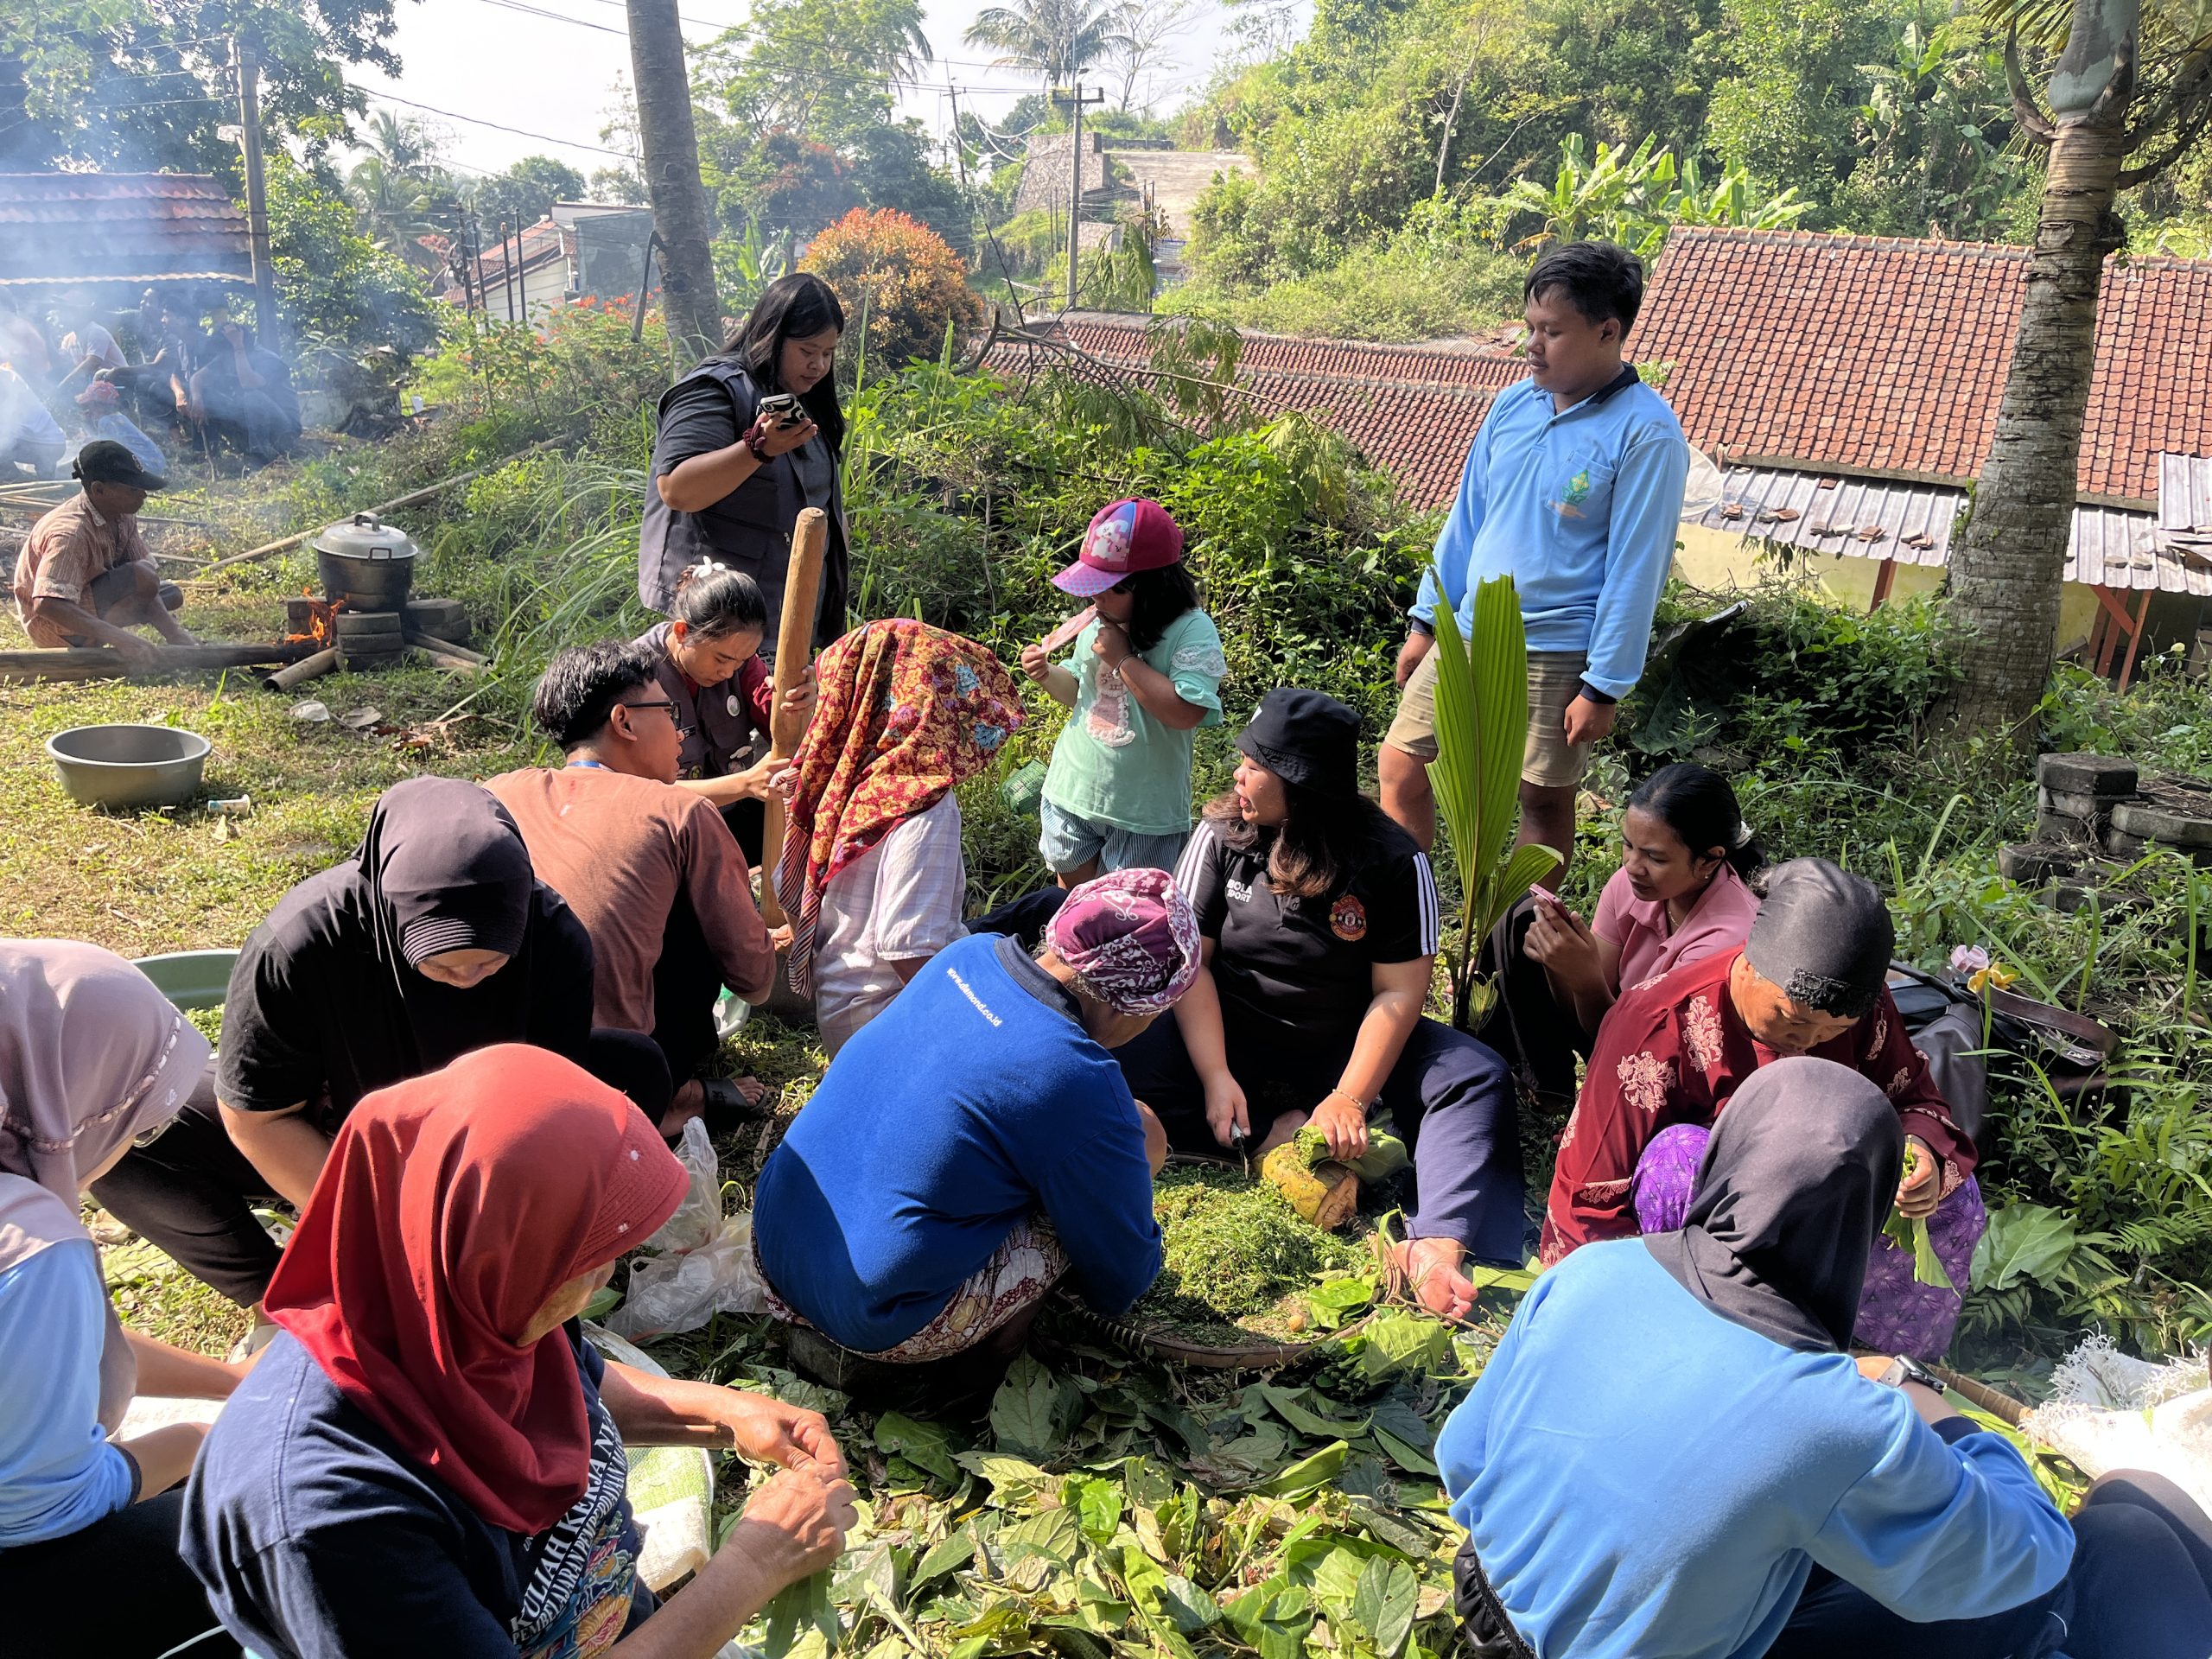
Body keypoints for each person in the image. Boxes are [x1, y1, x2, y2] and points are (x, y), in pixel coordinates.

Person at [1440, 1058, 2212, 1659]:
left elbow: (1463, 1457)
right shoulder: (1838, 1419)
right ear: (1860, 1226)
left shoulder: (1592, 1273)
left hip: (1481, 1605)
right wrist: (1935, 1412)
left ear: (1725, 1162)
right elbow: (2030, 1555)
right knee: (2128, 1529)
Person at [181, 1045, 860, 1658]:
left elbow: (576, 1380)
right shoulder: (330, 1519)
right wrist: (753, 1567)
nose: (607, 1278)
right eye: (589, 1259)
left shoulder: (468, 1303)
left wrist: (728, 1416)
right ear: (493, 1253)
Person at [92, 776, 662, 1314]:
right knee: (124, 1136)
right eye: (439, 962)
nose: (465, 979)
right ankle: (288, 1299)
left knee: (639, 1071)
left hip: (475, 1145)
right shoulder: (303, 943)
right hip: (331, 1135)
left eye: (489, 963)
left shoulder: (556, 938)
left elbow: (542, 1109)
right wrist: (378, 1230)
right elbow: (256, 1116)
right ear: (388, 913)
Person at [1117, 689, 1522, 1319]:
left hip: (1344, 1044)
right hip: (1226, 1035)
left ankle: (1435, 1242)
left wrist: (1350, 1097)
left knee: (1474, 1077)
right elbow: (1189, 960)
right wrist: (1216, 1074)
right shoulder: (1223, 833)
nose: (1237, 774)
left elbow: (1398, 991)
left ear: (1301, 784)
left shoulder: (1392, 859)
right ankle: (1268, 1136)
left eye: (1255, 766)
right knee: (1107, 1050)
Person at [753, 868, 1200, 1386]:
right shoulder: (1078, 1076)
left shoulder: (967, 955)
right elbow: (1118, 1279)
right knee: (1130, 1152)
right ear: (1133, 1003)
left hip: (773, 1245)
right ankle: (977, 1367)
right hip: (872, 1314)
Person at [1541, 856, 1984, 1359]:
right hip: (1713, 1235)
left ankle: (1880, 1363)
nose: (1808, 1041)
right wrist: (1585, 1319)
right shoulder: (1654, 1022)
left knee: (1954, 1195)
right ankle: (1709, 1345)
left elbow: (1914, 1099)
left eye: (1831, 1032)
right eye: (1791, 1020)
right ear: (1748, 963)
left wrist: (1920, 1147)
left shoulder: (1856, 1005)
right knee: (1678, 1155)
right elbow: (1592, 1188)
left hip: (1828, 1212)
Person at [1378, 241, 1691, 869]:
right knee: (1400, 766)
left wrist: (1603, 686)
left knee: (1540, 799)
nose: (1533, 345)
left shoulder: (1646, 433)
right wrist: (1427, 620)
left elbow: (1638, 568)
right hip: (1469, 633)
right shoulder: (1512, 406)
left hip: (1557, 647)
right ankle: (1409, 920)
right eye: (1530, 328)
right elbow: (1467, 520)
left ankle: (1510, 943)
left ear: (1608, 330)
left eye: (1552, 331)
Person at [0, 940, 248, 1658]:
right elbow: (45, 1508)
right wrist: (213, 1437)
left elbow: (33, 1356)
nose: (137, 1141)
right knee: (273, 1531)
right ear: (67, 1094)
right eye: (136, 1118)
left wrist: (229, 1381)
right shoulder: (31, 1246)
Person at [488, 640, 779, 1132]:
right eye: (669, 713)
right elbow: (755, 983)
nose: (682, 736)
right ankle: (675, 1100)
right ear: (624, 722)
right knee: (699, 912)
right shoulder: (681, 813)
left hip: (491, 1059)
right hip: (617, 1075)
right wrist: (765, 943)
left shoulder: (499, 790)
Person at [774, 619, 1027, 1056]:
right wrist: (987, 1019)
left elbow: (790, 888)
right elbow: (909, 950)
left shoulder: (838, 777)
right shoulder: (923, 802)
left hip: (841, 1008)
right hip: (892, 1023)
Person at [1496, 761, 1762, 1104]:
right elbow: (1600, 1002)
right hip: (1616, 1026)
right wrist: (1563, 964)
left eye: (1655, 858)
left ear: (1710, 861)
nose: (1632, 866)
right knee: (1520, 919)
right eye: (1628, 846)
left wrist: (1583, 979)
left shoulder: (1726, 941)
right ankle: (1544, 1085)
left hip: (1672, 1073)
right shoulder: (1631, 884)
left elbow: (1651, 1050)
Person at [1018, 498, 1227, 885]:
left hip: (1143, 813)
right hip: (1073, 792)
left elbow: (1186, 712)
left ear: (1151, 588)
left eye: (1108, 588)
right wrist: (1047, 674)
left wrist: (1124, 659)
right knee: (1072, 906)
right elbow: (1083, 695)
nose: (1094, 598)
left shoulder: (1190, 631)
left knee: (1123, 916)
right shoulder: (1100, 619)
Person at [640, 272, 850, 657]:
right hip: (719, 632)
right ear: (772, 334)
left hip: (793, 626)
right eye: (807, 350)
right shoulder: (714, 389)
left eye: (828, 352)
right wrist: (756, 449)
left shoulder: (804, 400)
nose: (819, 365)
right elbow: (676, 489)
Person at [633, 562, 817, 861]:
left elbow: (777, 717)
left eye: (741, 661)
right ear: (682, 632)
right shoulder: (636, 676)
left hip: (729, 816)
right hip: (669, 831)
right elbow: (641, 796)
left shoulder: (741, 663)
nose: (729, 671)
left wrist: (799, 703)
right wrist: (745, 783)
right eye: (722, 659)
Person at [11, 439, 194, 661]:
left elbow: (145, 582)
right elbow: (47, 604)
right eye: (133, 489)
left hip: (87, 599)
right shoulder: (70, 533)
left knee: (170, 594)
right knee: (145, 578)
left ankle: (95, 635)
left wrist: (176, 635)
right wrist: (122, 639)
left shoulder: (123, 515)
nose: (143, 496)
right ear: (99, 490)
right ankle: (89, 640)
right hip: (52, 627)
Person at [188, 317, 301, 462]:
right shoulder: (227, 358)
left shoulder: (269, 360)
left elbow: (248, 383)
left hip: (284, 432)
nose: (223, 356)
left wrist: (238, 347)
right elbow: (197, 378)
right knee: (204, 394)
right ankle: (204, 454)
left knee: (252, 396)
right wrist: (197, 400)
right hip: (250, 426)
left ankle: (259, 457)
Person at [73, 373, 168, 478]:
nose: (88, 409)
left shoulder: (106, 422)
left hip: (145, 468)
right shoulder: (118, 417)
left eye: (89, 405)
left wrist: (87, 424)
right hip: (155, 464)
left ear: (98, 405)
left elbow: (100, 450)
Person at [1, 361, 66, 478]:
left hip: (43, 447)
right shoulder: (7, 374)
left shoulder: (5, 379)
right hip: (53, 444)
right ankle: (39, 476)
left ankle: (17, 481)